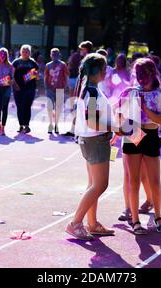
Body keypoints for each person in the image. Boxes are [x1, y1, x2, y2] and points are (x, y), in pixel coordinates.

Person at [65, 53, 116, 241]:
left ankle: (92, 223)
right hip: (95, 140)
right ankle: (75, 223)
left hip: (91, 140)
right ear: (99, 70)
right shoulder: (92, 91)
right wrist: (116, 127)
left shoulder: (90, 89)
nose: (106, 71)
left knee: (93, 184)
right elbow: (92, 121)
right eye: (105, 68)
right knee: (100, 185)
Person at [117, 58, 161, 235]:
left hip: (151, 135)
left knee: (154, 180)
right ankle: (135, 219)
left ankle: (158, 216)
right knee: (133, 181)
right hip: (134, 135)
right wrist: (120, 129)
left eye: (144, 73)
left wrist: (144, 107)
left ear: (152, 73)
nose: (141, 78)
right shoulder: (128, 92)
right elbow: (121, 118)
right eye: (137, 74)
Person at [64, 41, 94, 137]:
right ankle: (73, 130)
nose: (81, 50)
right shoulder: (83, 59)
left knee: (82, 111)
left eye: (83, 49)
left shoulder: (90, 60)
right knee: (77, 110)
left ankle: (82, 132)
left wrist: (83, 91)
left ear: (87, 49)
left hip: (85, 89)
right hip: (80, 87)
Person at [12, 45, 40, 134]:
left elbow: (38, 76)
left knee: (27, 106)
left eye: (27, 51)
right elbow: (12, 75)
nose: (25, 53)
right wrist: (15, 84)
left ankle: (27, 125)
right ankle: (21, 125)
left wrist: (36, 75)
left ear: (29, 53)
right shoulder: (16, 62)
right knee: (19, 106)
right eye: (23, 51)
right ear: (20, 52)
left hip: (30, 88)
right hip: (18, 88)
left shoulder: (32, 62)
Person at [44, 48, 69, 134]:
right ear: (50, 56)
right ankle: (50, 124)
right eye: (53, 54)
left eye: (56, 54)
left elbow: (66, 76)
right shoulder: (48, 65)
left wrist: (65, 87)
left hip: (60, 89)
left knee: (58, 108)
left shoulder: (63, 65)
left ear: (59, 55)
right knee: (50, 107)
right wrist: (46, 87)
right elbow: (45, 77)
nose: (55, 56)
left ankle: (56, 124)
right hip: (50, 89)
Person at [0, 48, 14, 136]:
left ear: (7, 55)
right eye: (1, 54)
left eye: (4, 54)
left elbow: (12, 78)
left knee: (5, 108)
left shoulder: (10, 66)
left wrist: (8, 81)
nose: (2, 56)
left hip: (6, 89)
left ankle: (3, 127)